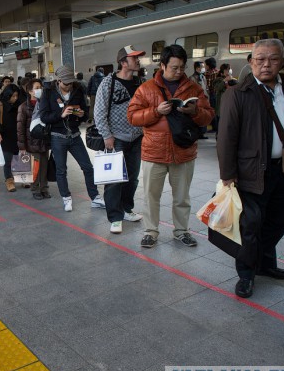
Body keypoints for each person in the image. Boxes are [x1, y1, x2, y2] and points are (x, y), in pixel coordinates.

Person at [218, 38, 284, 298]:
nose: (266, 65)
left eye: (272, 59)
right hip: (252, 171)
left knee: (278, 220)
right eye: (260, 59)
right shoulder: (237, 93)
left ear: (282, 62)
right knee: (251, 225)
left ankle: (265, 264)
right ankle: (247, 274)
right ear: (250, 63)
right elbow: (226, 137)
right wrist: (228, 175)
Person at [128, 44, 214, 248]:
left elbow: (208, 116)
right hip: (154, 152)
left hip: (183, 151)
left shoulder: (194, 88)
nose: (179, 71)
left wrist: (194, 112)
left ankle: (182, 231)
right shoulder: (146, 88)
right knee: (151, 196)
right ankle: (150, 231)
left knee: (182, 197)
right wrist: (156, 111)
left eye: (182, 67)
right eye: (174, 67)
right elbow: (132, 116)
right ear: (163, 65)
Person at [38, 64, 104, 212]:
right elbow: (44, 116)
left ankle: (95, 198)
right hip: (57, 136)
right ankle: (66, 198)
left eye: (71, 82)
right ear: (58, 80)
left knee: (88, 167)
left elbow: (86, 112)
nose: (68, 86)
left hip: (74, 135)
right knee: (61, 170)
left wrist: (82, 115)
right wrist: (60, 114)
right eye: (65, 83)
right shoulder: (48, 93)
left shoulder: (78, 89)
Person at [94, 45, 146, 234]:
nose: (138, 61)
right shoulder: (108, 83)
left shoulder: (140, 83)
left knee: (132, 178)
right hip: (117, 138)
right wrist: (107, 135)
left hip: (137, 137)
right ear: (123, 62)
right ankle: (115, 217)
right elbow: (99, 112)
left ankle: (126, 209)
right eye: (134, 58)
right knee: (115, 180)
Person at [17, 78, 50, 200]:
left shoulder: (45, 103)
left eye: (40, 87)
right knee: (35, 167)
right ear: (30, 91)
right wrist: (22, 147)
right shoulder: (24, 107)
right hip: (31, 142)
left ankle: (44, 188)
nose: (39, 90)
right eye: (36, 88)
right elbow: (20, 128)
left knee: (44, 167)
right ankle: (35, 189)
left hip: (44, 141)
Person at [0, 84, 21, 192]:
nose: (15, 98)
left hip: (17, 135)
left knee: (18, 158)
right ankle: (9, 180)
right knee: (8, 159)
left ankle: (20, 177)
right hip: (5, 137)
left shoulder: (19, 104)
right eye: (13, 96)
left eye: (16, 96)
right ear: (7, 95)